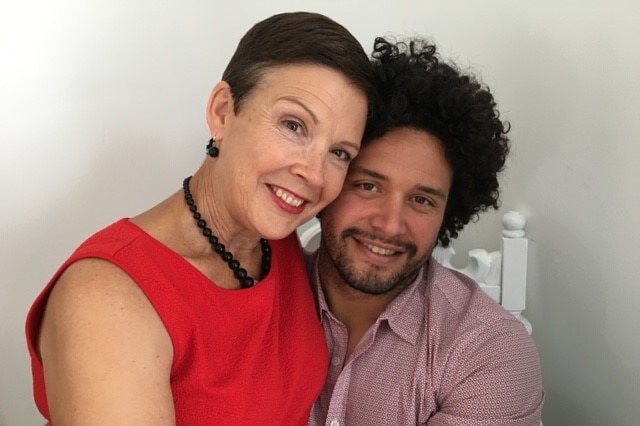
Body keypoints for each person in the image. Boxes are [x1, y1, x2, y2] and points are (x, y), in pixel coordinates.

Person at [25, 12, 375, 425]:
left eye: (339, 153)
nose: (314, 175)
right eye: (293, 125)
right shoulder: (106, 298)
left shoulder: (274, 239)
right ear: (223, 112)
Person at [307, 37, 544, 425]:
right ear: (328, 182)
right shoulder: (253, 294)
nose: (388, 224)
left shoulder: (490, 351)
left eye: (422, 200)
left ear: (449, 210)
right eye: (368, 186)